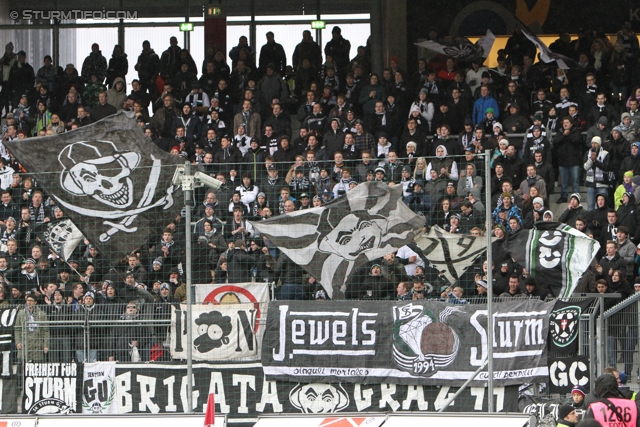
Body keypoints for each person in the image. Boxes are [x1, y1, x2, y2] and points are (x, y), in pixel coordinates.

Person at [14, 292, 49, 362]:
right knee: (22, 366)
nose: (29, 302)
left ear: (35, 302)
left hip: (37, 343)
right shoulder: (21, 313)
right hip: (24, 342)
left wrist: (46, 345)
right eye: (27, 300)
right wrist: (18, 342)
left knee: (36, 366)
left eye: (31, 300)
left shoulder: (42, 314)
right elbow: (17, 329)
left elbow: (46, 331)